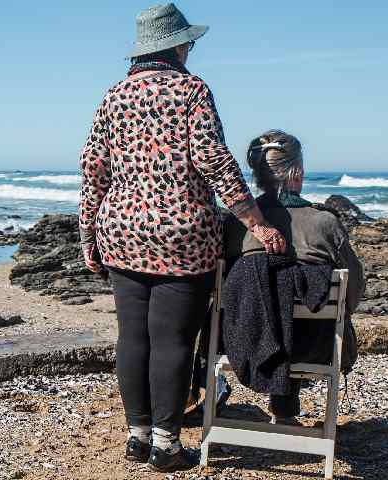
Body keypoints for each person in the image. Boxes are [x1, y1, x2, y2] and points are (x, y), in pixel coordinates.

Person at [78, 3, 286, 472]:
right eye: (188, 42)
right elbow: (213, 159)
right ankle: (165, 446)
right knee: (172, 340)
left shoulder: (113, 96)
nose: (190, 49)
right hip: (183, 235)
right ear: (175, 44)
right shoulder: (191, 90)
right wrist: (255, 220)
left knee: (132, 336)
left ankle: (136, 436)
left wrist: (88, 234)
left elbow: (93, 169)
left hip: (122, 230)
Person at [220, 129, 364, 423]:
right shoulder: (325, 223)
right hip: (314, 346)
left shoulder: (237, 225)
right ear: (296, 171)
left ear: (258, 174)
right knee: (301, 310)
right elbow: (354, 289)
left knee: (268, 301)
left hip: (242, 341)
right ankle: (285, 411)